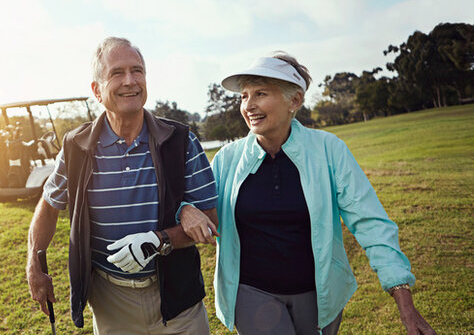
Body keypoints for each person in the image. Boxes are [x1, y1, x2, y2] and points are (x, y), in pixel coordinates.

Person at [201, 52, 435, 334]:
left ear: (294, 101)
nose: (249, 105)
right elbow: (200, 209)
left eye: (260, 93)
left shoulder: (329, 150)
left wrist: (403, 297)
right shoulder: (227, 159)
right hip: (252, 293)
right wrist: (187, 210)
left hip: (318, 294)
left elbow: (370, 222)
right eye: (244, 96)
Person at [25, 36, 220, 334]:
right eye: (117, 73)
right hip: (111, 303)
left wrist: (159, 240)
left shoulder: (181, 141)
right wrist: (34, 263)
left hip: (178, 300)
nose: (130, 81)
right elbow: (50, 206)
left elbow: (211, 220)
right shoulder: (76, 147)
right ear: (97, 91)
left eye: (137, 70)